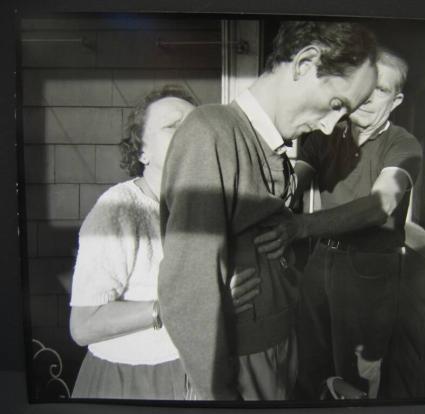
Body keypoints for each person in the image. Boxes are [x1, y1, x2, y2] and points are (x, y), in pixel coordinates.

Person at [157, 21, 378, 400]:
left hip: (277, 350)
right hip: (240, 364)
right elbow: (187, 288)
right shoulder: (211, 132)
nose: (328, 128)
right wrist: (219, 395)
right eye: (336, 105)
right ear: (305, 63)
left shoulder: (270, 146)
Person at [69, 87, 260, 399]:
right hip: (133, 381)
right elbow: (83, 325)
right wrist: (186, 305)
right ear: (142, 152)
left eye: (196, 126)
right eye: (172, 126)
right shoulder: (119, 208)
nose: (189, 133)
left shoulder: (210, 205)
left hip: (196, 372)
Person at [254, 48, 423, 399]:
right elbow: (294, 184)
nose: (366, 97)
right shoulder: (323, 136)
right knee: (310, 362)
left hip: (369, 272)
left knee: (358, 374)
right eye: (364, 86)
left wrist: (299, 227)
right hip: (320, 261)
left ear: (397, 100)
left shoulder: (403, 144)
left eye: (382, 90)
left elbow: (381, 205)